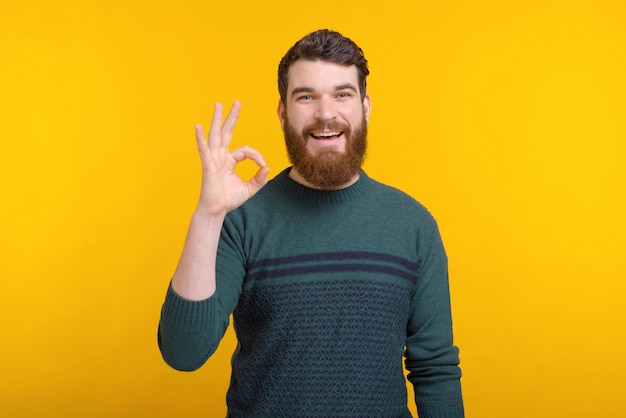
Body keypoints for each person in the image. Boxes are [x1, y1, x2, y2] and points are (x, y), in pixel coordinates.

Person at [158, 29, 464, 417]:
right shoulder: (242, 220)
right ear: (283, 112)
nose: (325, 113)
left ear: (365, 106)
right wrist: (208, 215)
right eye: (306, 96)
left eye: (342, 94)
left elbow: (434, 367)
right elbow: (184, 352)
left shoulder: (413, 224)